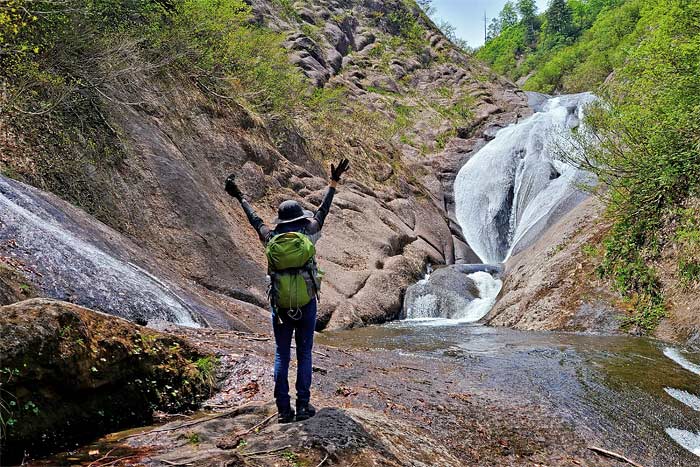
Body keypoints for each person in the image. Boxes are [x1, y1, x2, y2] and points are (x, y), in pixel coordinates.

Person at [224, 159, 350, 423]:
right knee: (304, 353)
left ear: (281, 220)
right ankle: (303, 406)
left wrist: (240, 197)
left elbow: (254, 219)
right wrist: (333, 183)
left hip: (280, 307)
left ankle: (283, 409)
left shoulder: (270, 238)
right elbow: (322, 212)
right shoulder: (309, 233)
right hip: (306, 305)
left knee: (282, 353)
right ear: (299, 219)